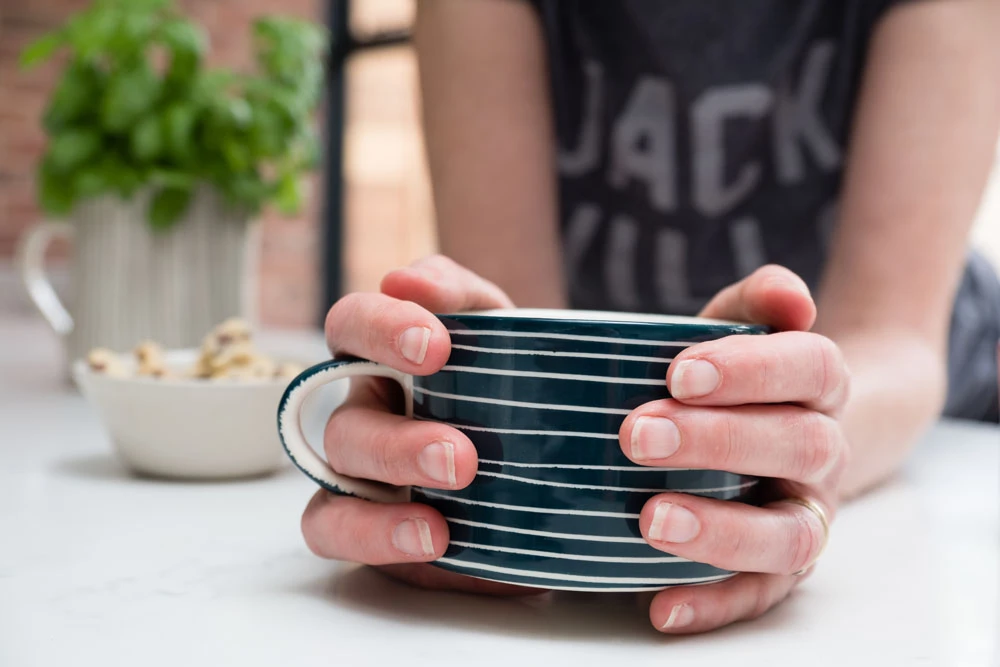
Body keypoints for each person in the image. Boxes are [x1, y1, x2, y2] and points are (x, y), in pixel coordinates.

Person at [301, 0, 1000, 633]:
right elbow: (523, 330)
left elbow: (897, 335)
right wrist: (448, 432)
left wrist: (796, 457)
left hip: (929, 426)